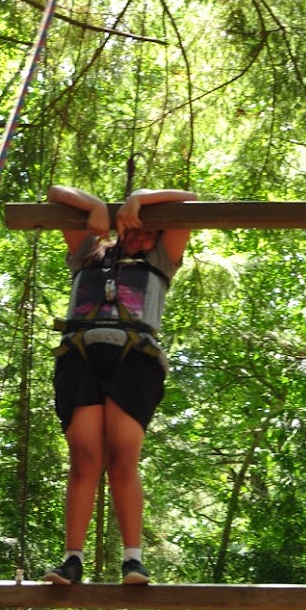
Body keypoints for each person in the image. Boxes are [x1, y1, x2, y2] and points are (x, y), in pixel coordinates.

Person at [43, 183, 197, 586]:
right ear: (120, 226)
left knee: (123, 457)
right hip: (80, 355)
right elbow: (54, 191)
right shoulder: (89, 252)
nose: (143, 234)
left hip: (135, 360)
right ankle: (72, 559)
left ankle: (133, 560)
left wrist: (141, 198)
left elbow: (191, 202)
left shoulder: (162, 260)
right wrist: (96, 207)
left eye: (151, 230)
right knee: (84, 458)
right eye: (135, 227)